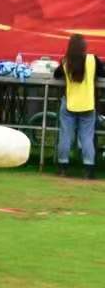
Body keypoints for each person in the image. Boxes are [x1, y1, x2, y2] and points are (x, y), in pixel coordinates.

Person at [53, 33, 99, 179]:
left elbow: (56, 75)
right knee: (86, 137)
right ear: (84, 46)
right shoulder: (93, 59)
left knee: (66, 136)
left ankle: (62, 168)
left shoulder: (65, 61)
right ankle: (88, 169)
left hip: (69, 104)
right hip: (88, 104)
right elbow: (102, 73)